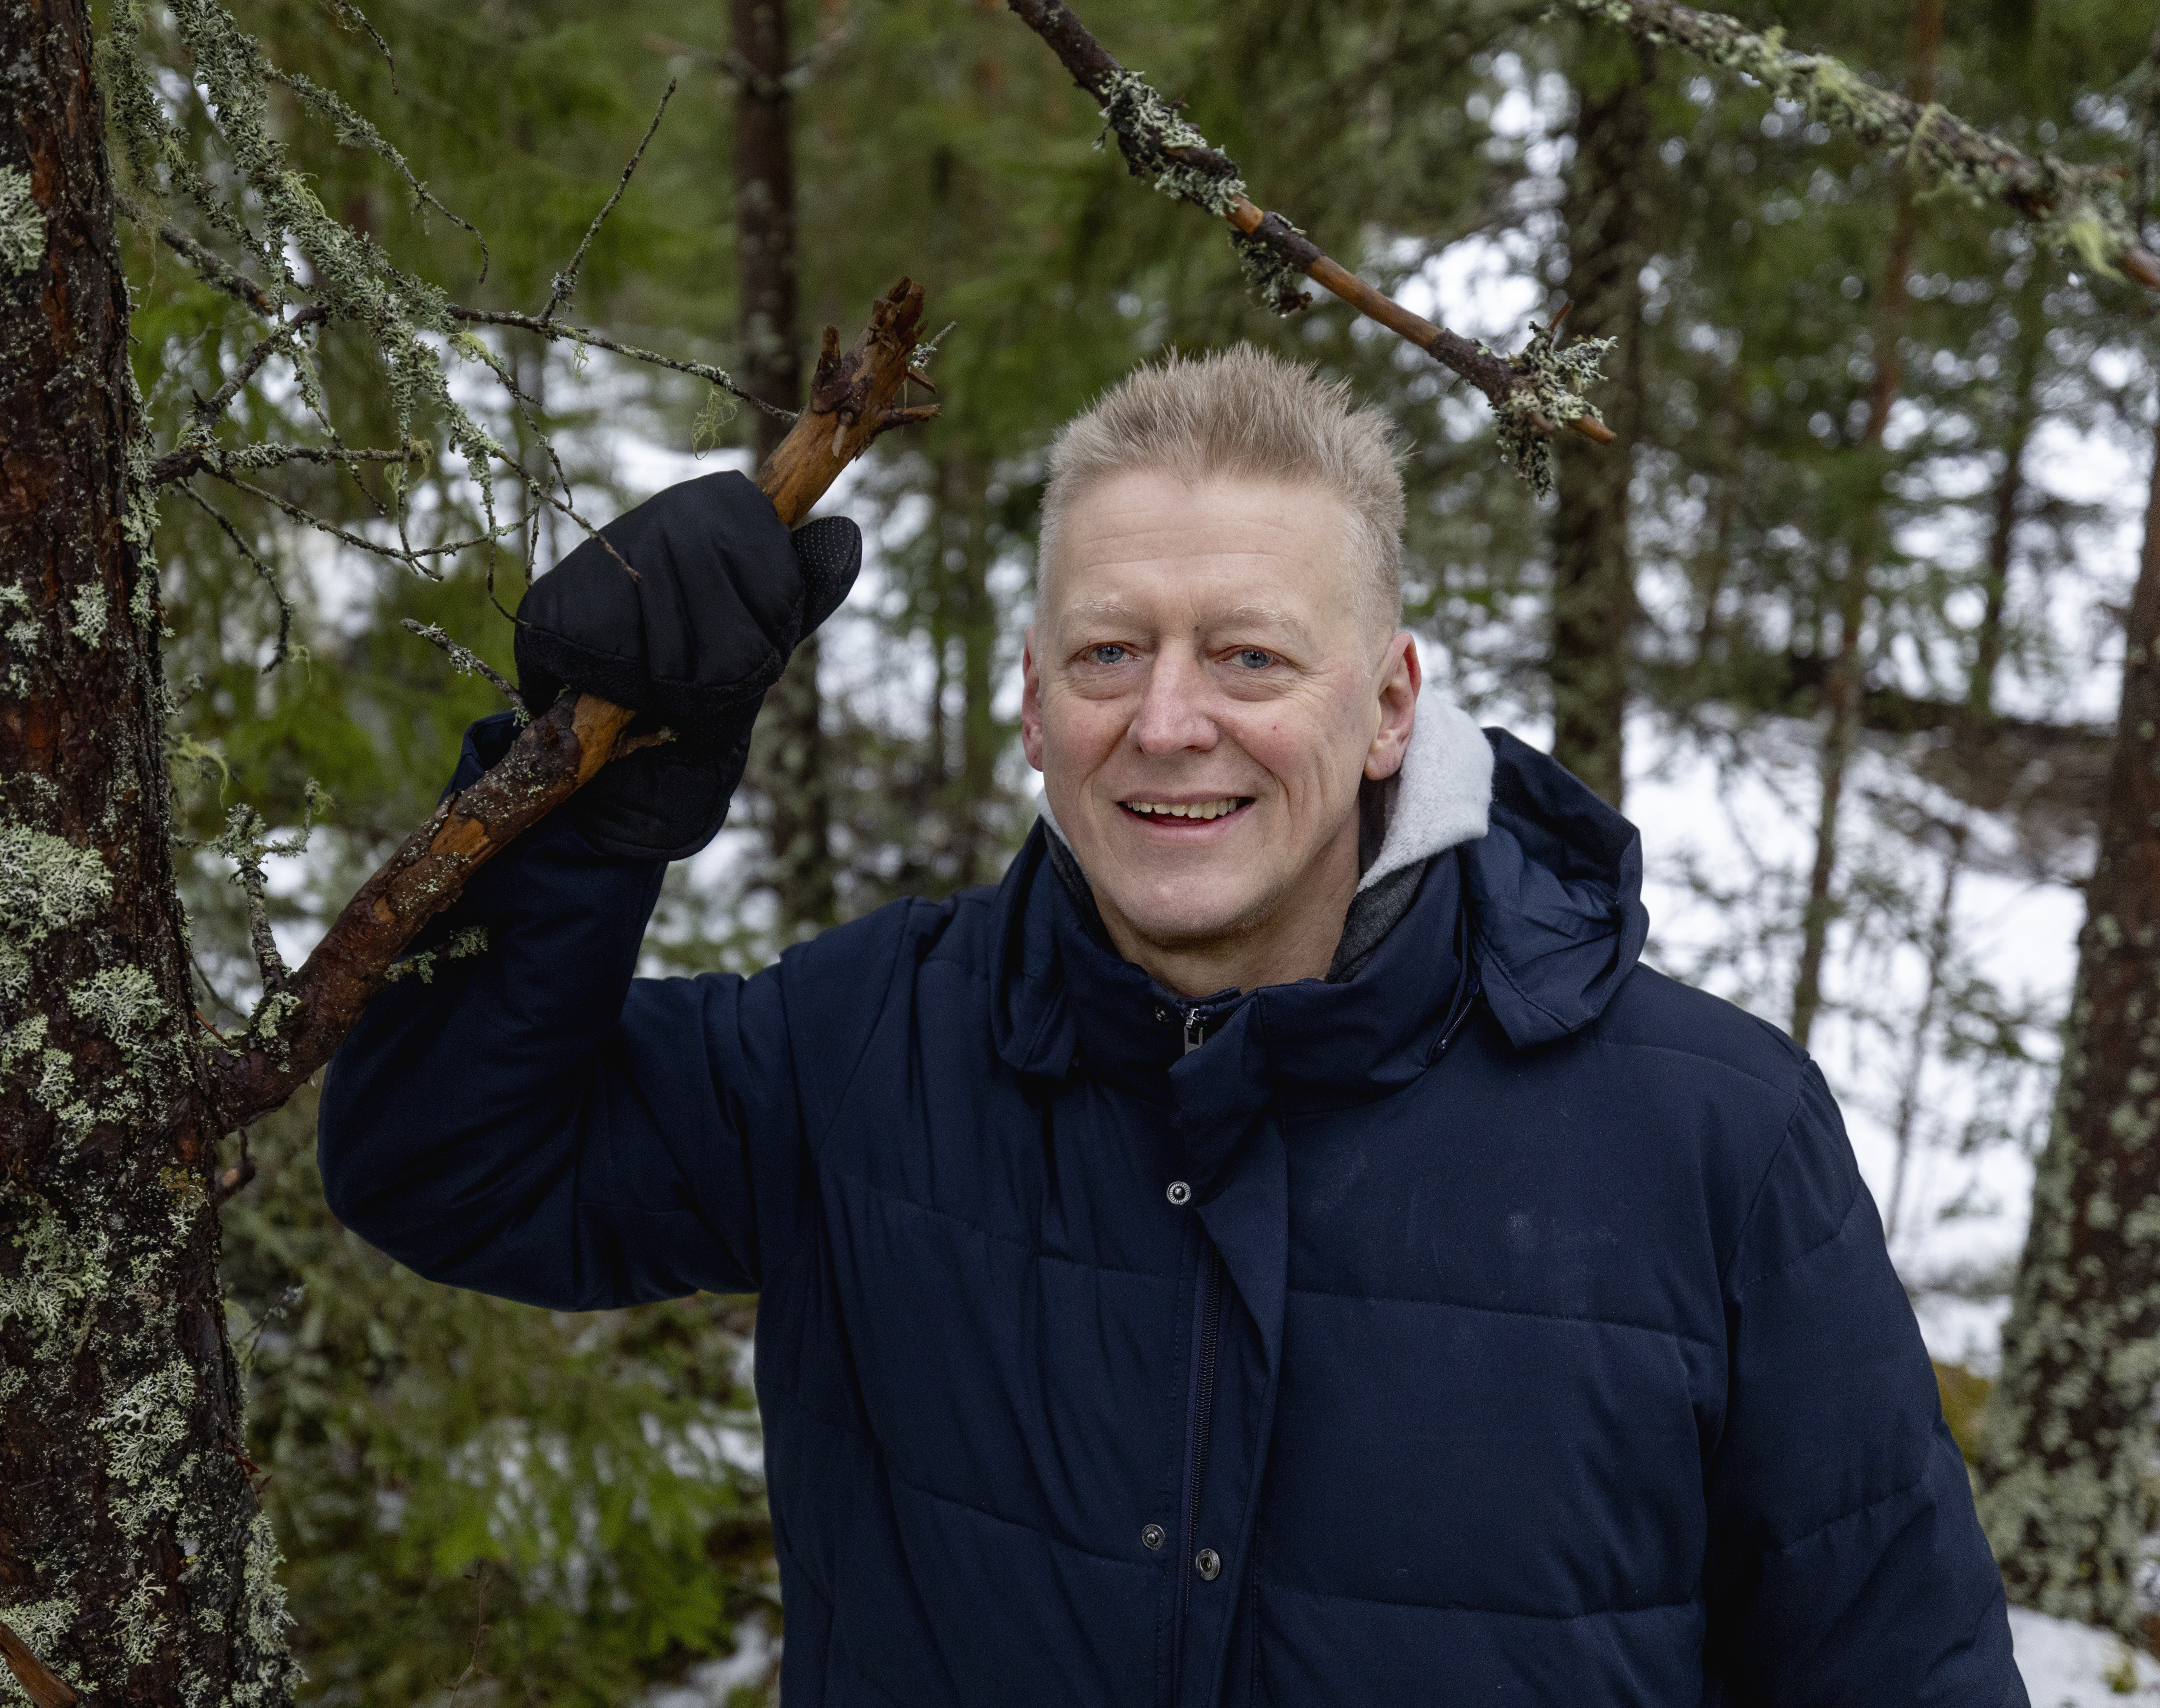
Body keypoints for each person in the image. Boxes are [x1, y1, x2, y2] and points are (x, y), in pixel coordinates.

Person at [319, 346, 2023, 1705]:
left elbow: (1904, 1662)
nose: (1170, 721)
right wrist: (576, 804)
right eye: (1110, 650)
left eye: (1253, 656)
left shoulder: (1713, 1136)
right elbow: (446, 1161)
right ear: (1035, 709)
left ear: (1390, 704)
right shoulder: (861, 1049)